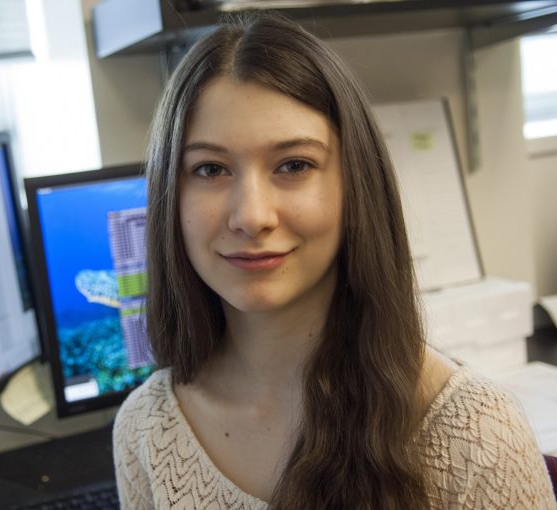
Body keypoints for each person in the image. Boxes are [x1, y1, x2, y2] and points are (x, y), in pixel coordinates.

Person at [112, 12, 556, 510]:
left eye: (294, 165)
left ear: (356, 185)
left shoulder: (478, 436)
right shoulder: (147, 429)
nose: (252, 216)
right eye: (210, 169)